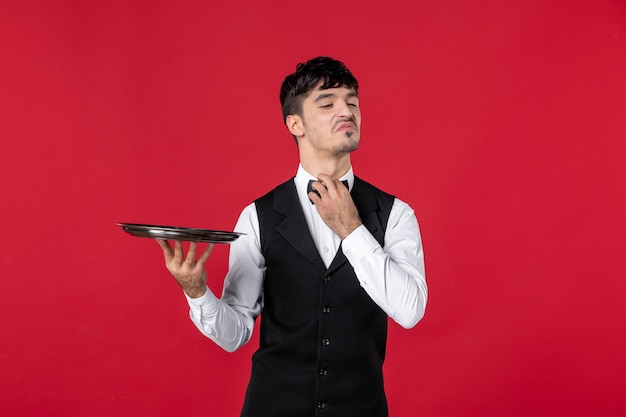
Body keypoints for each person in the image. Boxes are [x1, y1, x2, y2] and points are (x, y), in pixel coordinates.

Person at [156, 56, 427, 417]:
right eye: (328, 102)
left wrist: (352, 229)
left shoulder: (395, 214)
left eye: (352, 101)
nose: (346, 110)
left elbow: (410, 311)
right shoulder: (258, 216)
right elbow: (235, 332)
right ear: (295, 123)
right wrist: (197, 292)